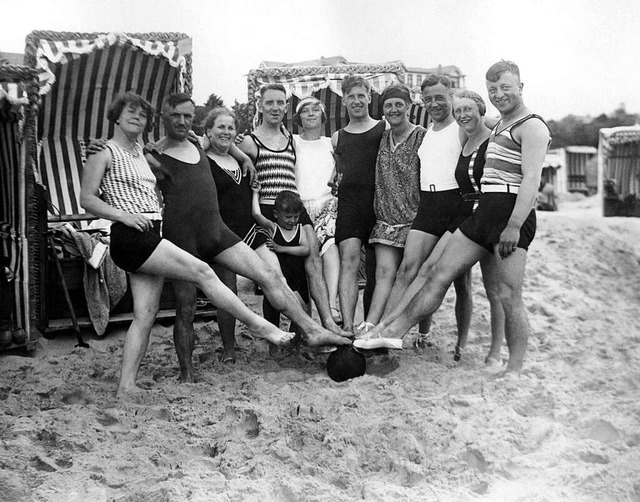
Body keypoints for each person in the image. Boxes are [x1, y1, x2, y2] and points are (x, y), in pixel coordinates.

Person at [79, 92, 295, 396]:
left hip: (150, 234)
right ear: (115, 116)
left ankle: (126, 385)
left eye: (142, 115)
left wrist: (244, 156)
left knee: (146, 314)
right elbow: (86, 199)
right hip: (131, 235)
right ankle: (259, 325)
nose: (137, 118)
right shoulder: (103, 152)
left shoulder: (144, 153)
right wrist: (124, 216)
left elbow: (212, 142)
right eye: (130, 112)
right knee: (203, 273)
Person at [357, 61, 551, 374]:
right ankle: (391, 333)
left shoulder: (533, 126)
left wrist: (514, 225)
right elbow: (469, 124)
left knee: (507, 294)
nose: (499, 94)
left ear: (520, 88)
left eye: (505, 88)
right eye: (493, 90)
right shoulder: (500, 125)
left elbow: (531, 180)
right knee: (435, 274)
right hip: (483, 210)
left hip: (511, 213)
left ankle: (513, 368)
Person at [148, 93, 351, 380]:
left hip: (216, 231)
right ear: (164, 118)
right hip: (182, 237)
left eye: (186, 116)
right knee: (186, 306)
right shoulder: (153, 154)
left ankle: (312, 329)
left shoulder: (197, 143)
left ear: (193, 119)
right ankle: (187, 373)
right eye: (175, 115)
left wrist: (244, 157)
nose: (181, 121)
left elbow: (226, 144)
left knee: (271, 275)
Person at [238, 84, 348, 336]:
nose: (275, 108)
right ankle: (280, 333)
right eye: (269, 103)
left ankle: (327, 322)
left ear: (286, 108)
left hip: (296, 208)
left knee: (313, 264)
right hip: (269, 210)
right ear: (260, 106)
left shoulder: (290, 138)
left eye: (280, 103)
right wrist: (243, 157)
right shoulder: (250, 141)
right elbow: (217, 146)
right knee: (275, 277)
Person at [374, 74, 472, 350]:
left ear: (451, 96)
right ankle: (385, 329)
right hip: (429, 204)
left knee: (460, 282)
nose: (434, 104)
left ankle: (461, 344)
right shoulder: (427, 132)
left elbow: (492, 132)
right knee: (409, 269)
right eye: (428, 99)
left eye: (440, 97)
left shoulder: (462, 127)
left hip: (457, 204)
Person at [194, 107, 288, 364]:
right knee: (229, 291)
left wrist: (243, 157)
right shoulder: (202, 160)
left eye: (230, 127)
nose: (226, 132)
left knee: (275, 277)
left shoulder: (242, 159)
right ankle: (229, 348)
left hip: (250, 230)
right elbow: (200, 146)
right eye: (220, 127)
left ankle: (279, 337)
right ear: (208, 131)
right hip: (221, 234)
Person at [357, 84, 426, 335]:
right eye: (389, 105)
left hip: (416, 221)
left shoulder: (422, 136)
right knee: (384, 274)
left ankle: (419, 331)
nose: (394, 109)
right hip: (386, 220)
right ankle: (371, 326)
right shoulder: (381, 137)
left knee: (412, 278)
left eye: (399, 104)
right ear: (383, 110)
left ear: (409, 107)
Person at [331, 75, 386, 333]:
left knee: (375, 272)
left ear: (369, 97)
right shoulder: (337, 137)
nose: (356, 101)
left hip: (379, 205)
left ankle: (371, 327)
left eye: (360, 96)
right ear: (344, 100)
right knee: (349, 264)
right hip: (349, 205)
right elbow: (338, 171)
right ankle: (349, 327)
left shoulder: (383, 128)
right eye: (351, 96)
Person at [292, 96, 341, 324]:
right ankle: (307, 317)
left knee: (329, 246)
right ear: (298, 118)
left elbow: (344, 165)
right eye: (305, 111)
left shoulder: (330, 142)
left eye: (315, 110)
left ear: (322, 116)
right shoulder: (292, 141)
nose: (311, 114)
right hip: (299, 206)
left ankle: (331, 305)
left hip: (326, 204)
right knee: (306, 261)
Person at [251, 188, 311, 349]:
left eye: (296, 216)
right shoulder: (273, 227)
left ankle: (295, 345)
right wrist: (256, 193)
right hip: (279, 278)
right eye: (288, 217)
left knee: (301, 311)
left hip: (297, 279)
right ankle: (273, 346)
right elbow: (257, 215)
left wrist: (281, 248)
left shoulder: (300, 229)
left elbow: (306, 249)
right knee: (272, 310)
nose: (292, 220)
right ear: (277, 214)